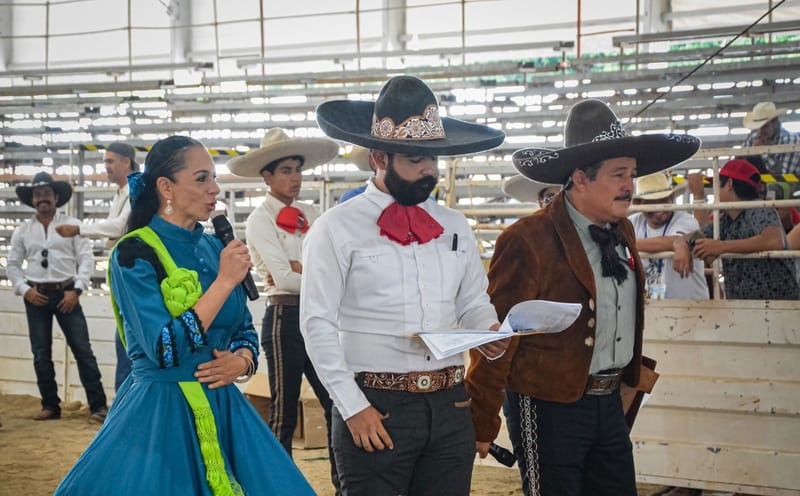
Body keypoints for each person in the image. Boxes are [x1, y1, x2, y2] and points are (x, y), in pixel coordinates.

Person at [54, 136, 315, 495]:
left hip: (224, 405)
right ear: (166, 187)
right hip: (161, 413)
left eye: (213, 178)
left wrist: (242, 362)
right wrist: (223, 282)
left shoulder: (213, 245)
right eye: (202, 178)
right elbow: (163, 350)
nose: (215, 188)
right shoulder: (134, 252)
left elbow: (243, 327)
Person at [466, 99, 701, 496]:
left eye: (631, 174)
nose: (630, 185)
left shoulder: (622, 229)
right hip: (546, 403)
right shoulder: (527, 239)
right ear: (580, 178)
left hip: (608, 400)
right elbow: (497, 338)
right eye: (618, 174)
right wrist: (482, 418)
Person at [301, 75, 506, 496]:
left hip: (450, 402)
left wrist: (488, 330)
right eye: (416, 159)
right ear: (379, 156)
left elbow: (472, 299)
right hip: (375, 402)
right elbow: (317, 324)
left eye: (435, 159)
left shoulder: (454, 224)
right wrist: (352, 407)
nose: (429, 169)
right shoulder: (335, 228)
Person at [227, 127, 341, 492]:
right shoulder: (261, 218)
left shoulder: (310, 212)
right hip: (285, 318)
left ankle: (344, 481)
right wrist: (311, 272)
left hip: (316, 315)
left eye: (297, 169)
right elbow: (283, 278)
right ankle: (276, 486)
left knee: (336, 401)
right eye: (286, 171)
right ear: (267, 177)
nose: (295, 178)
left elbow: (322, 267)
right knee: (284, 409)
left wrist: (299, 270)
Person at [7, 171, 108, 423]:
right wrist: (24, 289)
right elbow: (12, 265)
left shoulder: (71, 225)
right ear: (32, 199)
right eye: (38, 194)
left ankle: (98, 406)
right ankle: (50, 406)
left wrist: (77, 290)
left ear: (55, 197)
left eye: (47, 194)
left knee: (83, 350)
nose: (42, 198)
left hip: (67, 294)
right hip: (36, 296)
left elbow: (86, 259)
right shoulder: (22, 231)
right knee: (41, 353)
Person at [56, 141, 139, 391]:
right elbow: (115, 230)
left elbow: (119, 228)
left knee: (126, 342)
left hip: (133, 272)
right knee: (125, 341)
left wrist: (80, 228)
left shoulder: (135, 190)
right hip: (126, 272)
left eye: (110, 161)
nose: (106, 167)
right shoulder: (123, 192)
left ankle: (123, 408)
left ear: (127, 161)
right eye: (105, 162)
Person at [687, 159, 799, 300]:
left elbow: (774, 241)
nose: (715, 193)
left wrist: (721, 247)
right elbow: (700, 237)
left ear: (729, 184)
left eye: (717, 186)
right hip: (752, 307)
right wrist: (681, 245)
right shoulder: (726, 220)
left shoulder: (759, 209)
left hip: (774, 308)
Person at [629, 172, 709, 300]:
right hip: (652, 306)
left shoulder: (686, 220)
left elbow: (679, 239)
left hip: (690, 307)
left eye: (663, 200)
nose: (658, 208)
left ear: (671, 197)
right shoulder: (633, 223)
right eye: (650, 202)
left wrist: (628, 243)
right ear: (638, 202)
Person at [741, 101, 800, 176]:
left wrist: (761, 152)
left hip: (788, 185)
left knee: (775, 186)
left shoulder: (791, 140)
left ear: (775, 122)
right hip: (759, 183)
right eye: (758, 127)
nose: (760, 131)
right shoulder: (753, 136)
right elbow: (740, 164)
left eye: (764, 126)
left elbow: (783, 175)